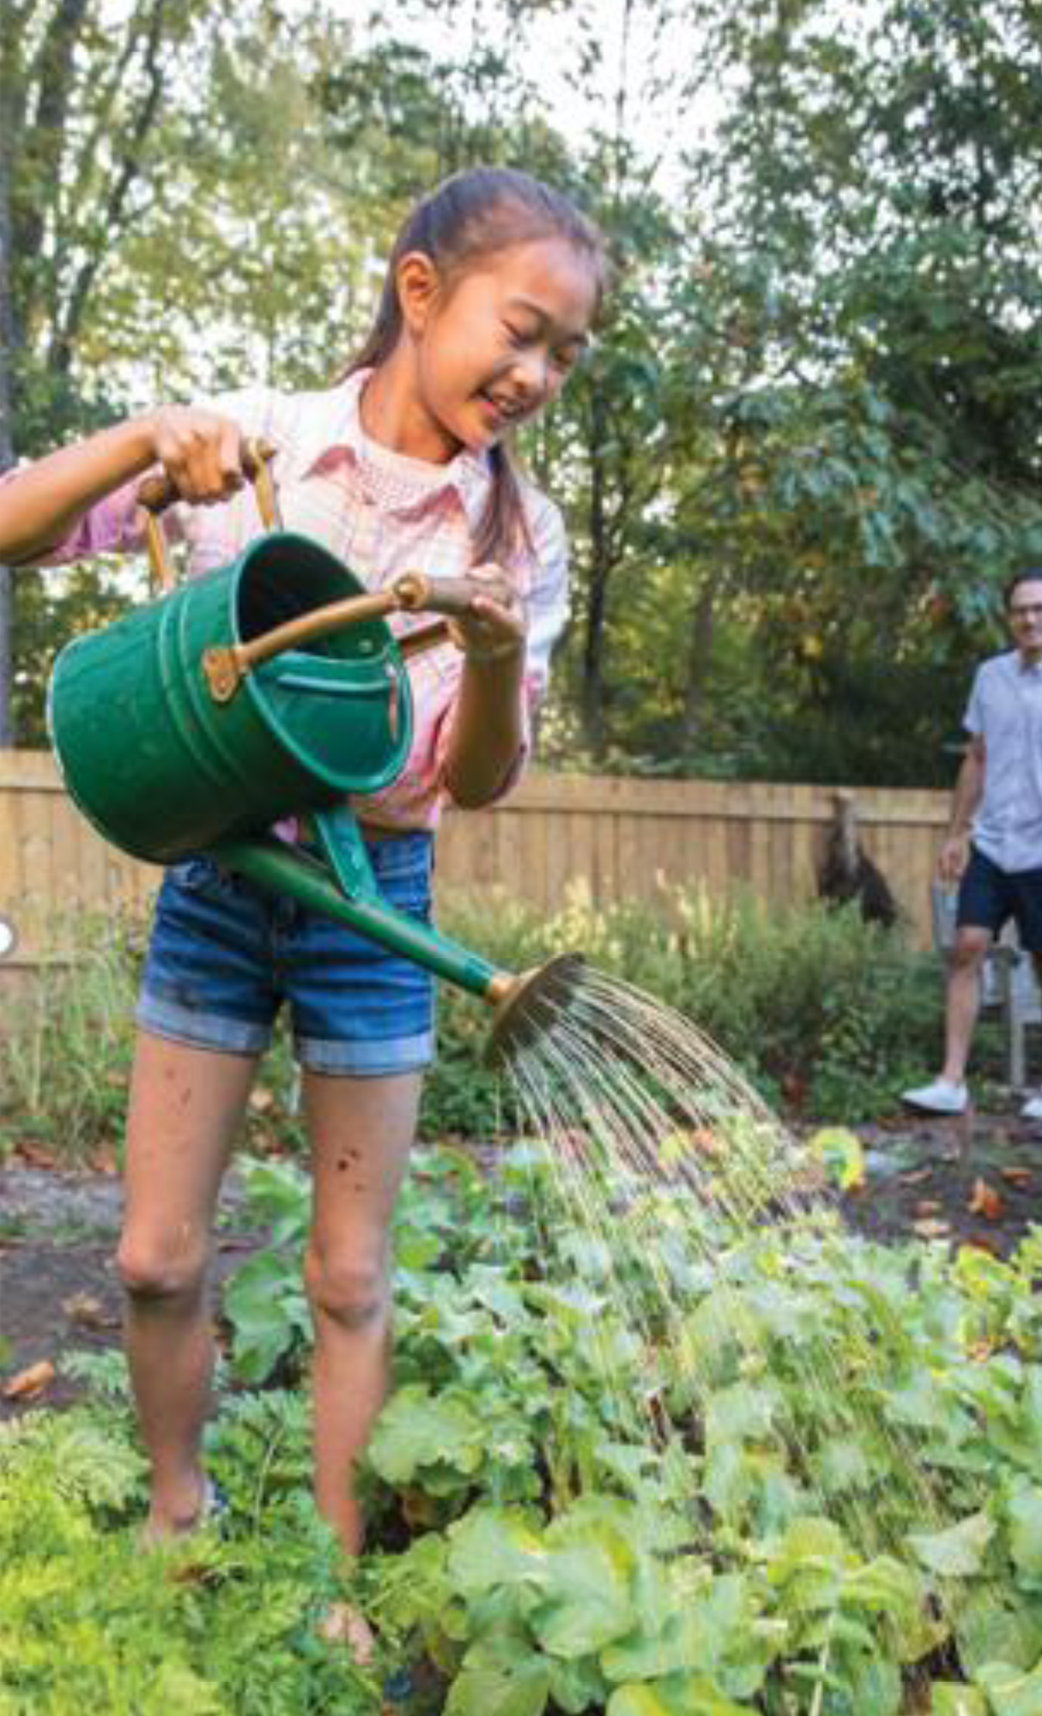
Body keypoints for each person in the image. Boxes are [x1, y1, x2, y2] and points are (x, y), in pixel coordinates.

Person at [0, 169, 604, 1612]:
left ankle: (332, 1576)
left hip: (378, 898)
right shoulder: (261, 442)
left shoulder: (520, 539)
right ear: (417, 293)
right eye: (519, 330)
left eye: (565, 356)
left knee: (348, 1275)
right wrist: (152, 438)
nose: (533, 375)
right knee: (152, 1255)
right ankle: (176, 1513)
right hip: (220, 869)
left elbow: (473, 784)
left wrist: (502, 648)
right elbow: (13, 524)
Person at [901, 568, 1042, 1118]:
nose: (1030, 619)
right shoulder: (990, 676)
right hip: (993, 841)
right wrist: (957, 832)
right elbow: (977, 757)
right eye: (1019, 610)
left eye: (1040, 608)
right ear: (1009, 617)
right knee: (965, 946)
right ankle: (951, 1080)